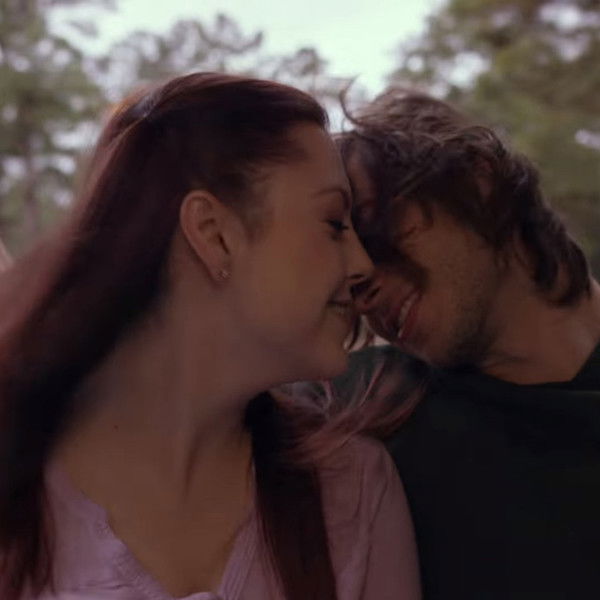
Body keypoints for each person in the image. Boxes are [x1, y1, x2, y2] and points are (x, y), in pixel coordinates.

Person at [0, 73, 421, 600]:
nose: (361, 265)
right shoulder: (16, 491)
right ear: (213, 233)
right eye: (334, 223)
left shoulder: (353, 490)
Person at [334, 90, 600, 599]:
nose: (361, 282)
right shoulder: (365, 406)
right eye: (342, 276)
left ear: (479, 181)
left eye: (372, 228)